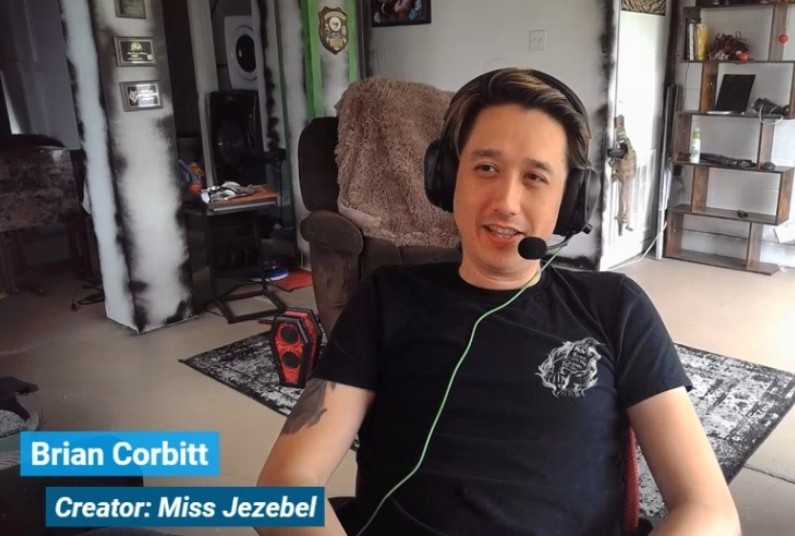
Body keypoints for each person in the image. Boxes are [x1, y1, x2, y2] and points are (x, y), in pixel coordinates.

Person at [256, 68, 741, 536]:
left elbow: (710, 511)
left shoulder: (615, 306)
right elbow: (283, 489)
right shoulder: (386, 298)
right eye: (486, 168)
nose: (506, 201)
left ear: (570, 203)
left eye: (535, 177)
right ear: (446, 179)